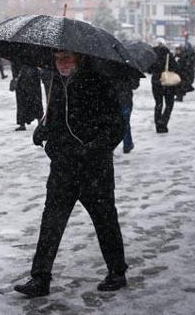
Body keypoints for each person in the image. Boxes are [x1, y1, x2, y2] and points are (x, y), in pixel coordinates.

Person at [15, 50, 127, 298]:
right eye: (57, 59)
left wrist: (93, 148)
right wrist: (44, 132)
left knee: (104, 219)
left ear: (79, 58)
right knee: (51, 221)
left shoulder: (98, 82)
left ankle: (117, 272)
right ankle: (40, 278)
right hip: (64, 165)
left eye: (66, 58)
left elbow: (117, 126)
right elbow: (56, 120)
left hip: (93, 168)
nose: (61, 63)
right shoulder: (56, 82)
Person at [148, 42, 178, 133]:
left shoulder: (152, 56)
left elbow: (149, 70)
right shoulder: (169, 55)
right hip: (167, 82)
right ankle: (163, 122)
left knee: (158, 104)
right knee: (169, 104)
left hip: (156, 82)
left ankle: (158, 125)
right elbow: (176, 67)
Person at [11, 60, 44, 131]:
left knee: (26, 101)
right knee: (31, 100)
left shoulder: (16, 53)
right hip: (28, 78)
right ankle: (36, 121)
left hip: (27, 78)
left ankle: (24, 123)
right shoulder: (31, 52)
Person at [116, 76, 140, 154]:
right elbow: (135, 86)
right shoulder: (128, 71)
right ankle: (127, 145)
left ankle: (109, 147)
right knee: (125, 123)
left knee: (111, 124)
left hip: (112, 100)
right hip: (125, 100)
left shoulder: (107, 70)